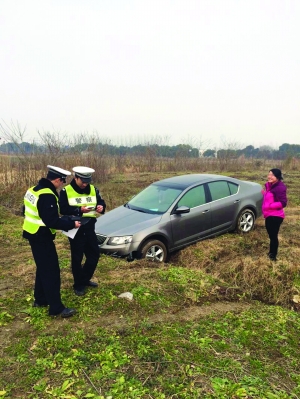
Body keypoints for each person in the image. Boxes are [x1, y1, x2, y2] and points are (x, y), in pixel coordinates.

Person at [23, 165, 81, 317]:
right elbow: (52, 221)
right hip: (41, 237)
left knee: (43, 268)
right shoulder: (47, 195)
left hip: (32, 233)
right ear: (56, 180)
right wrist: (71, 224)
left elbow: (26, 211)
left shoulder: (33, 190)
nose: (62, 184)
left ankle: (40, 299)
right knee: (51, 272)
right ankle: (56, 308)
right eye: (62, 181)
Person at [59, 166, 106, 296]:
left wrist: (101, 207)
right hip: (75, 227)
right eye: (83, 181)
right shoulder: (66, 191)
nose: (85, 184)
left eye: (87, 181)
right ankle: (78, 284)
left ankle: (84, 279)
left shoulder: (93, 189)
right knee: (77, 257)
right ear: (76, 178)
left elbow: (100, 202)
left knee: (94, 254)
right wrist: (79, 210)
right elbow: (63, 209)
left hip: (90, 226)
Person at [262, 168, 287, 261]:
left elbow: (283, 203)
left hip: (275, 216)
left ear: (277, 176)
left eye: (272, 175)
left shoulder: (280, 187)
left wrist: (270, 205)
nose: (269, 176)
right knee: (271, 235)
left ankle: (273, 256)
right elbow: (272, 197)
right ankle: (271, 252)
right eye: (269, 174)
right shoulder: (270, 186)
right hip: (269, 214)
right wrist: (265, 194)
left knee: (273, 236)